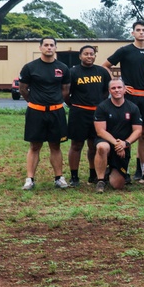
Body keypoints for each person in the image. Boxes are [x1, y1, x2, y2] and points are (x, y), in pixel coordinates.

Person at [104, 21, 144, 183]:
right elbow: (105, 66)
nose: (141, 33)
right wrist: (119, 84)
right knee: (125, 134)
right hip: (129, 99)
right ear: (132, 33)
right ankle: (124, 170)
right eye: (138, 30)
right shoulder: (125, 51)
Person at [19, 37, 72, 190]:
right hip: (36, 112)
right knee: (35, 146)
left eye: (52, 45)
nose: (49, 48)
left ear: (56, 48)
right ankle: (30, 179)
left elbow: (65, 90)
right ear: (40, 47)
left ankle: (59, 178)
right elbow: (23, 89)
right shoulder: (30, 67)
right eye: (46, 45)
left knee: (55, 145)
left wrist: (54, 102)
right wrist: (35, 102)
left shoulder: (63, 68)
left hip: (56, 112)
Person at [66, 44, 110, 186]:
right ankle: (74, 176)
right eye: (86, 54)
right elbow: (66, 93)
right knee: (76, 145)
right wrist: (73, 104)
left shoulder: (101, 71)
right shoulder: (73, 72)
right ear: (80, 56)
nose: (89, 56)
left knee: (93, 145)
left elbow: (105, 91)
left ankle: (93, 174)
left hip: (97, 113)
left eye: (91, 54)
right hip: (79, 112)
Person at [92, 78, 143, 193]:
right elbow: (100, 131)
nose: (117, 90)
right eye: (113, 88)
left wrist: (126, 143)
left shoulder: (133, 108)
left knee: (118, 185)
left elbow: (138, 131)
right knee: (102, 147)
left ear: (125, 89)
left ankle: (110, 170)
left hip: (123, 146)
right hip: (106, 142)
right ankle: (101, 180)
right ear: (109, 91)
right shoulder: (102, 107)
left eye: (119, 87)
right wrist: (117, 143)